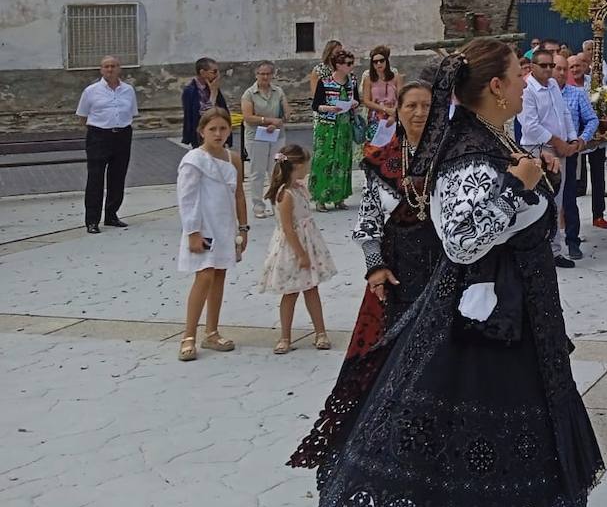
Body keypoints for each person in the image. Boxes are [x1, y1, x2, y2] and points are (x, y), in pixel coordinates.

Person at [303, 39, 603, 507]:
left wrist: (529, 177)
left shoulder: (493, 137)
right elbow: (462, 240)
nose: (527, 81)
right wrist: (516, 186)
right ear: (498, 87)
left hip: (518, 312)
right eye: (518, 74)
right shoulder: (470, 153)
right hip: (484, 324)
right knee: (465, 437)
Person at [290, 82, 443, 472]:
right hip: (396, 274)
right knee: (388, 356)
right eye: (412, 105)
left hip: (444, 272)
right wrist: (375, 267)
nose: (419, 113)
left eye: (427, 105)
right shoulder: (381, 159)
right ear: (399, 110)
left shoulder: (451, 156)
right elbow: (369, 222)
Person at [175, 108, 247, 362]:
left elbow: (238, 194)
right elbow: (187, 197)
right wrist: (193, 232)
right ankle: (188, 335)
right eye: (212, 129)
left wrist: (243, 227)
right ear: (202, 131)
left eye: (223, 128)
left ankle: (212, 331)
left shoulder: (233, 158)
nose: (218, 134)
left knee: (219, 275)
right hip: (203, 226)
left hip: (225, 225)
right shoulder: (194, 159)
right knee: (204, 276)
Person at [258, 144, 336, 354]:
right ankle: (285, 336)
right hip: (293, 249)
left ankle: (320, 332)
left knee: (312, 289)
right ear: (297, 165)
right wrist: (301, 254)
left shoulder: (299, 188)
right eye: (306, 164)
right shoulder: (285, 196)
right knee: (290, 293)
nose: (308, 168)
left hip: (308, 243)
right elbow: (287, 229)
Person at [523, 48, 582, 267]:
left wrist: (573, 140)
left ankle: (555, 250)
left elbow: (564, 113)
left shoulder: (554, 86)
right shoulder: (527, 89)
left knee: (557, 202)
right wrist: (558, 142)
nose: (549, 70)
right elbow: (530, 125)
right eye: (544, 65)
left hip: (560, 149)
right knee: (539, 202)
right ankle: (537, 249)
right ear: (532, 67)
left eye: (551, 66)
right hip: (539, 149)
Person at [76, 55, 138, 234]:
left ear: (119, 68)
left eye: (113, 66)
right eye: (106, 66)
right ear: (101, 70)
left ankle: (111, 215)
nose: (110, 69)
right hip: (99, 136)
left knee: (117, 177)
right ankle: (92, 221)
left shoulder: (128, 90)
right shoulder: (91, 91)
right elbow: (82, 116)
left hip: (122, 135)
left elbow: (132, 113)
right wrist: (100, 128)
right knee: (95, 179)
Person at [558, 53, 605, 229]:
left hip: (579, 143)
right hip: (554, 148)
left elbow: (592, 119)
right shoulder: (546, 92)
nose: (574, 70)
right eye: (570, 67)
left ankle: (576, 234)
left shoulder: (586, 88)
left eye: (579, 65)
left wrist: (582, 138)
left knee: (575, 191)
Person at [310, 49, 359, 211]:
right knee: (324, 160)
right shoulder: (324, 82)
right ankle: (320, 198)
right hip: (328, 126)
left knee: (342, 161)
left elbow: (357, 99)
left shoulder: (352, 80)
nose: (352, 67)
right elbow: (316, 105)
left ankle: (339, 197)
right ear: (338, 65)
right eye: (348, 64)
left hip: (345, 125)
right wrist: (331, 108)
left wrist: (353, 104)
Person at [241, 61, 289, 219]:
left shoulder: (278, 91)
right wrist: (267, 121)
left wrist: (278, 122)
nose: (265, 76)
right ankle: (258, 205)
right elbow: (247, 117)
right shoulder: (249, 94)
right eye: (262, 73)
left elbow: (286, 114)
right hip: (256, 136)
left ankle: (277, 203)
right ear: (256, 75)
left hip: (277, 135)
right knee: (257, 171)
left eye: (268, 73)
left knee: (277, 170)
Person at [180, 56, 228, 147]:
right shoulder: (190, 91)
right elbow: (203, 114)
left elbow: (222, 109)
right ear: (202, 72)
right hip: (200, 136)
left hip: (218, 132)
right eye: (214, 72)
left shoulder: (212, 86)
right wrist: (213, 94)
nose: (217, 75)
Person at [361, 46, 399, 142]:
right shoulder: (368, 79)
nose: (379, 64)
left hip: (393, 114)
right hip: (376, 116)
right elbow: (366, 101)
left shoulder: (396, 78)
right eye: (375, 62)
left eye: (381, 60)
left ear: (386, 61)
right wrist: (385, 109)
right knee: (375, 147)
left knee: (393, 145)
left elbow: (401, 97)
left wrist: (393, 114)